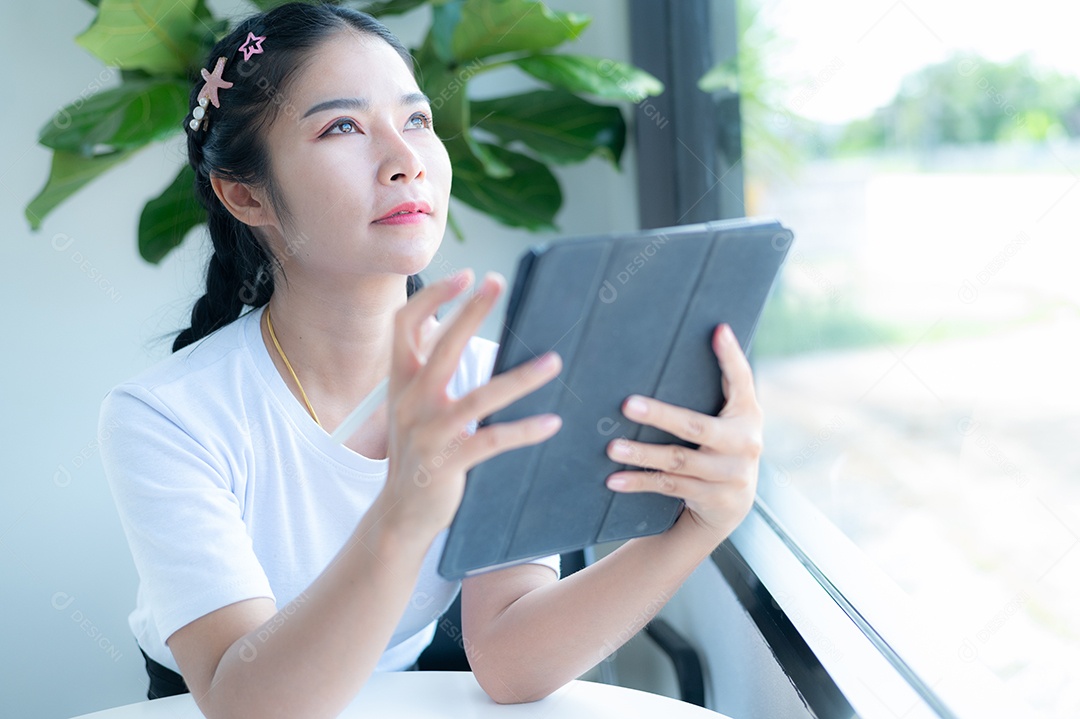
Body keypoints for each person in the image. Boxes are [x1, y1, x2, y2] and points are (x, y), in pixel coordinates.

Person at [98, 3, 764, 717]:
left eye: (417, 120)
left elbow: (511, 660)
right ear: (245, 193)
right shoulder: (166, 415)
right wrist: (404, 510)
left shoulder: (492, 384)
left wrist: (700, 521)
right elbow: (247, 704)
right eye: (342, 127)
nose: (405, 158)